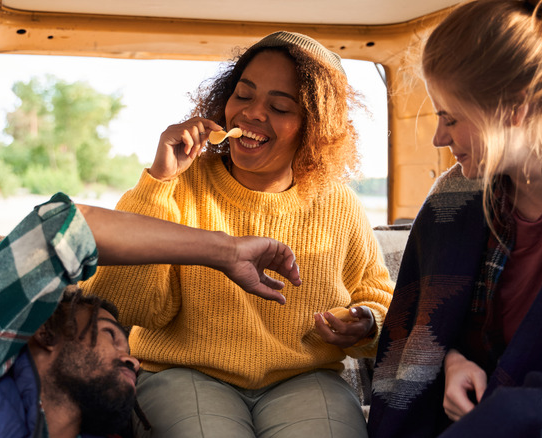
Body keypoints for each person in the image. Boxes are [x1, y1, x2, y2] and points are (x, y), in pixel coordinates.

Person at [82, 31, 394, 438]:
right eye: (243, 95)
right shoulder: (178, 183)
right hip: (183, 374)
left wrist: (365, 323)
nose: (252, 113)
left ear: (315, 127)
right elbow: (124, 303)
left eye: (280, 106)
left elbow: (380, 300)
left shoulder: (339, 204)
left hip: (306, 379)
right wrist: (158, 182)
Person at [368, 0, 542, 437]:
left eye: (451, 117)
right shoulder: (452, 201)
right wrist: (451, 361)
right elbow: (414, 328)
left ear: (515, 108)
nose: (438, 137)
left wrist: (522, 414)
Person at [0, 192, 301, 438]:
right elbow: (60, 228)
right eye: (112, 335)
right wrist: (225, 252)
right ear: (44, 332)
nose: (133, 358)